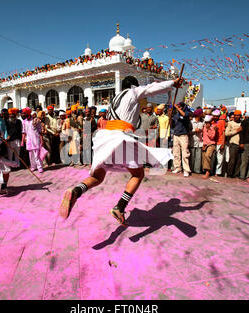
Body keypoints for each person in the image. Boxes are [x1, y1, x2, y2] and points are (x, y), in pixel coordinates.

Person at [59, 76, 182, 225]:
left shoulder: (115, 98)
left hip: (106, 137)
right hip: (121, 136)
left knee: (98, 176)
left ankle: (76, 191)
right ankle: (120, 207)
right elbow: (151, 88)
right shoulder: (132, 92)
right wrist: (173, 83)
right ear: (133, 86)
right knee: (138, 174)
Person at [170, 102, 191, 177]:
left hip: (183, 135)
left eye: (179, 106)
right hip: (176, 134)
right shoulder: (176, 115)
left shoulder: (187, 112)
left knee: (185, 153)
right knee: (176, 152)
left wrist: (177, 108)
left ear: (182, 106)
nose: (178, 107)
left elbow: (184, 115)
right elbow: (172, 123)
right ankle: (177, 167)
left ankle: (186, 170)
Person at [21, 107, 44, 172]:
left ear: (28, 113)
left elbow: (40, 131)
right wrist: (23, 140)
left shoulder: (35, 120)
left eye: (24, 113)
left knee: (37, 154)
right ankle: (33, 166)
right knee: (30, 155)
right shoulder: (24, 122)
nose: (22, 115)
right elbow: (24, 132)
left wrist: (41, 140)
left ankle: (40, 167)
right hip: (28, 140)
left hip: (36, 139)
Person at [225, 110, 242, 178]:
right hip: (233, 143)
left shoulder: (242, 123)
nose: (237, 117)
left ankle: (236, 175)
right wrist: (236, 131)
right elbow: (227, 133)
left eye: (238, 115)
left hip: (240, 144)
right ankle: (229, 175)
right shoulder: (230, 123)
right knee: (232, 160)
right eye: (236, 115)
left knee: (238, 161)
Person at [202, 115, 217, 179]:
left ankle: (208, 172)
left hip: (211, 144)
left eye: (208, 122)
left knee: (207, 155)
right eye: (206, 122)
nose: (206, 123)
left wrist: (208, 129)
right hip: (205, 144)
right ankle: (205, 170)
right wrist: (204, 144)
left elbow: (212, 137)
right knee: (204, 157)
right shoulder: (204, 127)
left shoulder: (213, 127)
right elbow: (204, 136)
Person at [211, 109, 226, 177]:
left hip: (220, 142)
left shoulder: (221, 122)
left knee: (219, 159)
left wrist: (223, 143)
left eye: (216, 116)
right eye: (214, 116)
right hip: (213, 142)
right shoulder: (211, 122)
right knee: (212, 158)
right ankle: (211, 171)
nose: (215, 117)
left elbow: (223, 133)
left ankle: (218, 172)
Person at [189, 108, 204, 174]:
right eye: (202, 113)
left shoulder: (203, 122)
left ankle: (197, 169)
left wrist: (201, 130)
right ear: (199, 114)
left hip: (200, 142)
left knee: (198, 157)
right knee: (191, 157)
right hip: (192, 141)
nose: (203, 114)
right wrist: (195, 130)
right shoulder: (191, 122)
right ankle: (191, 169)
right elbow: (188, 131)